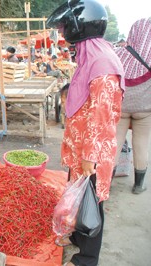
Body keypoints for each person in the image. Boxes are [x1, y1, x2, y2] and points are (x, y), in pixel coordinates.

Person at [47, 1, 125, 265]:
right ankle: (78, 240)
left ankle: (87, 258)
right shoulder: (90, 57)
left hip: (92, 155)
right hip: (81, 150)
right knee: (80, 199)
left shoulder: (102, 64)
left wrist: (89, 158)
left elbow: (102, 118)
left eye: (65, 28)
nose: (63, 34)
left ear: (79, 29)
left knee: (92, 204)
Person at [114, 18, 151, 194]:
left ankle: (105, 184)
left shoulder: (119, 54)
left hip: (121, 107)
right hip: (145, 110)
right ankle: (138, 186)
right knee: (141, 144)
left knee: (114, 144)